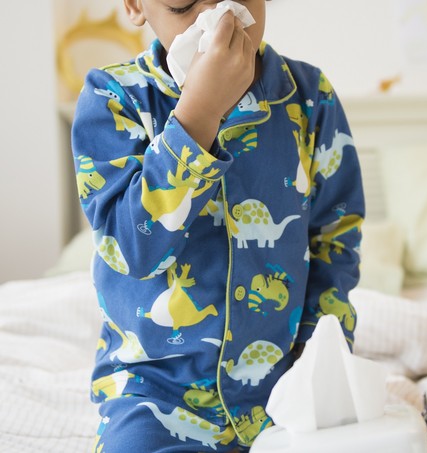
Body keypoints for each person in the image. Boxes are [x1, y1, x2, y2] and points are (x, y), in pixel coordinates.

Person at [72, 0, 364, 451]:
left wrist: (319, 358)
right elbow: (131, 249)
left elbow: (335, 239)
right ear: (135, 6)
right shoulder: (114, 98)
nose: (219, 16)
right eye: (182, 4)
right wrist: (198, 115)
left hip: (283, 392)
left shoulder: (310, 97)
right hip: (154, 396)